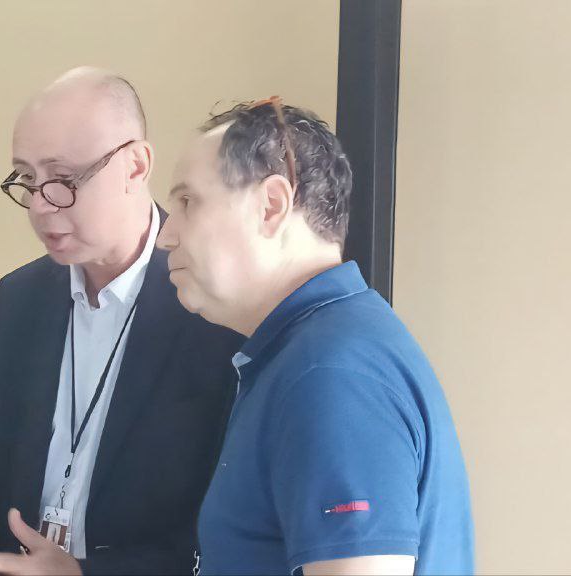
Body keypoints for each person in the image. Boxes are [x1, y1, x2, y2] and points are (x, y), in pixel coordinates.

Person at [0, 68, 241, 576]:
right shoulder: (18, 299)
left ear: (135, 166)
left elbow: (224, 527)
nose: (40, 206)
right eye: (27, 179)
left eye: (63, 180)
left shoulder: (215, 308)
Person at [158, 97, 475, 574]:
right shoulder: (315, 352)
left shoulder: (330, 374)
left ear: (271, 206)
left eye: (187, 203)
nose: (165, 236)